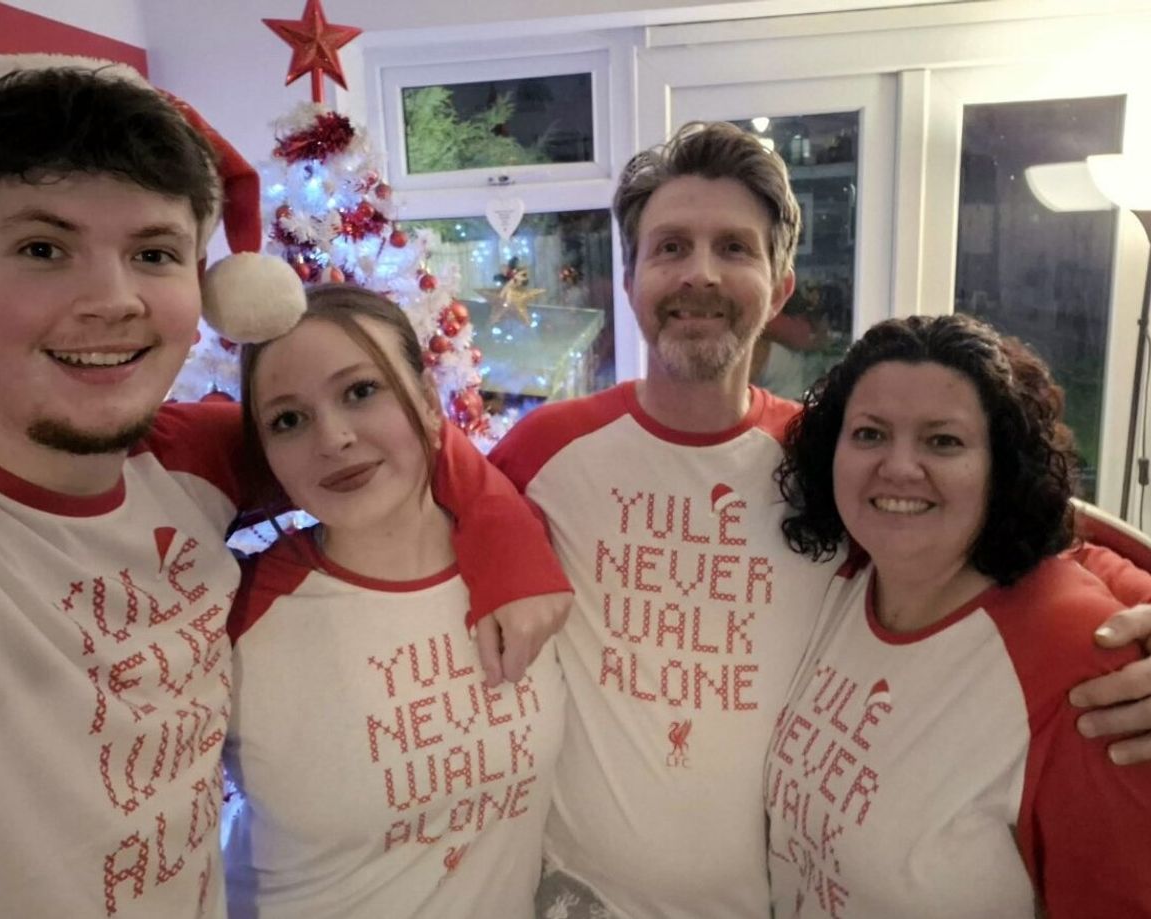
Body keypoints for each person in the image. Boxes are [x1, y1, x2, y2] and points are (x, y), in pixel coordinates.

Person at [0, 55, 568, 918]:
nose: (110, 298)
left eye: (154, 251)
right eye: (42, 248)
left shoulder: (196, 459)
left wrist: (508, 541)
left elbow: (393, 436)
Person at [489, 120, 1151, 919]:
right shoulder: (545, 449)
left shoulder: (831, 459)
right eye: (670, 246)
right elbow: (443, 519)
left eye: (734, 247)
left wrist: (1135, 610)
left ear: (781, 283)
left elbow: (1027, 527)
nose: (699, 273)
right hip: (576, 898)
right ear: (630, 278)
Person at [769, 313, 1151, 916]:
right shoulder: (844, 579)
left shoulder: (1081, 657)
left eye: (942, 440)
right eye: (869, 434)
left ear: (1002, 466)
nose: (897, 467)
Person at [221, 283, 566, 918]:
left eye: (360, 391)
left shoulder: (533, 567)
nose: (333, 438)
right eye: (287, 420)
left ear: (431, 404)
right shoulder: (237, 613)